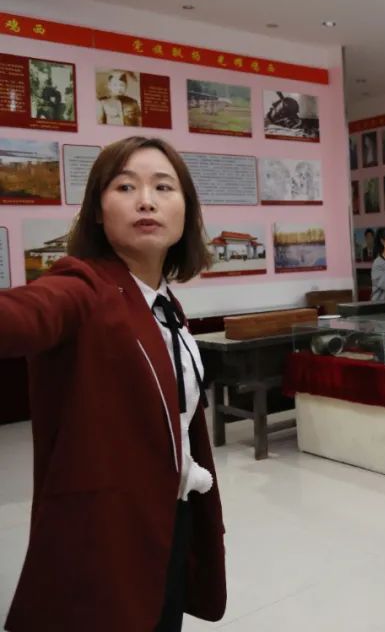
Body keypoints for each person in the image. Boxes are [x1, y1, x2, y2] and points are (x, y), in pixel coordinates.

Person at [0, 136, 226, 631]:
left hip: (169, 519)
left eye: (163, 187)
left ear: (186, 210)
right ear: (98, 212)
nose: (146, 200)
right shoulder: (84, 286)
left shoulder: (163, 302)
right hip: (105, 534)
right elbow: (26, 312)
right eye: (125, 186)